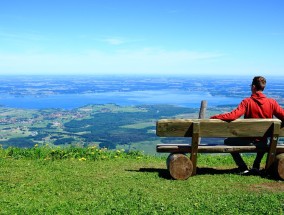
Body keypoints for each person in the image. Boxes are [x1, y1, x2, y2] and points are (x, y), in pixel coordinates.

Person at [210, 76, 284, 175]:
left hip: (247, 141)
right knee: (263, 138)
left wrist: (216, 116)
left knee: (227, 141)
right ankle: (256, 165)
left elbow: (233, 115)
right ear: (263, 88)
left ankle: (242, 167)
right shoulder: (272, 103)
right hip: (263, 142)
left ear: (253, 87)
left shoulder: (247, 102)